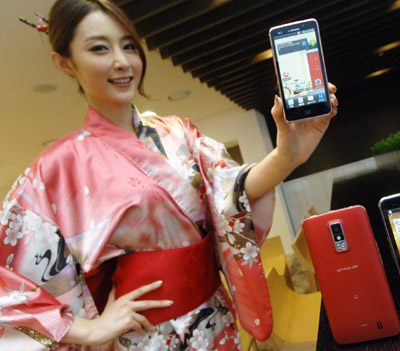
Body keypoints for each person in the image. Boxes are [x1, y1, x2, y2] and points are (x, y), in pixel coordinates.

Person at [0, 0, 338, 349]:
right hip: (146, 336)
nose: (121, 61)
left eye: (128, 45)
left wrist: (287, 156)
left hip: (215, 317)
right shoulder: (56, 168)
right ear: (65, 62)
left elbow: (227, 192)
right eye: (99, 48)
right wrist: (88, 330)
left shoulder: (177, 132)